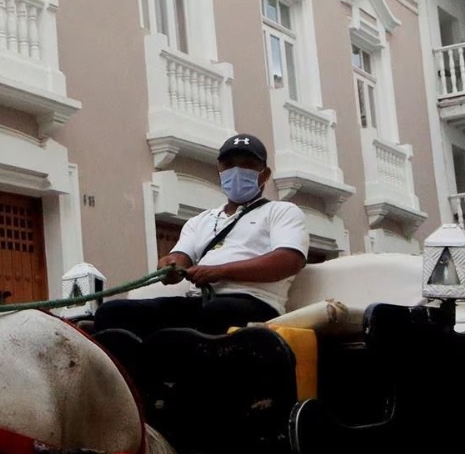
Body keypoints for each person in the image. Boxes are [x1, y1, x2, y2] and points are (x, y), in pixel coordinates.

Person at [92, 133, 309, 338]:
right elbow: (180, 257)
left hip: (254, 303)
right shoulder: (200, 221)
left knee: (215, 311)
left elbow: (289, 261)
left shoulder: (282, 211)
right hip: (200, 302)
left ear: (266, 174)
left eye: (247, 165)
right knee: (112, 312)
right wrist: (170, 266)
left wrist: (219, 272)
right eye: (229, 165)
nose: (236, 171)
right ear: (219, 171)